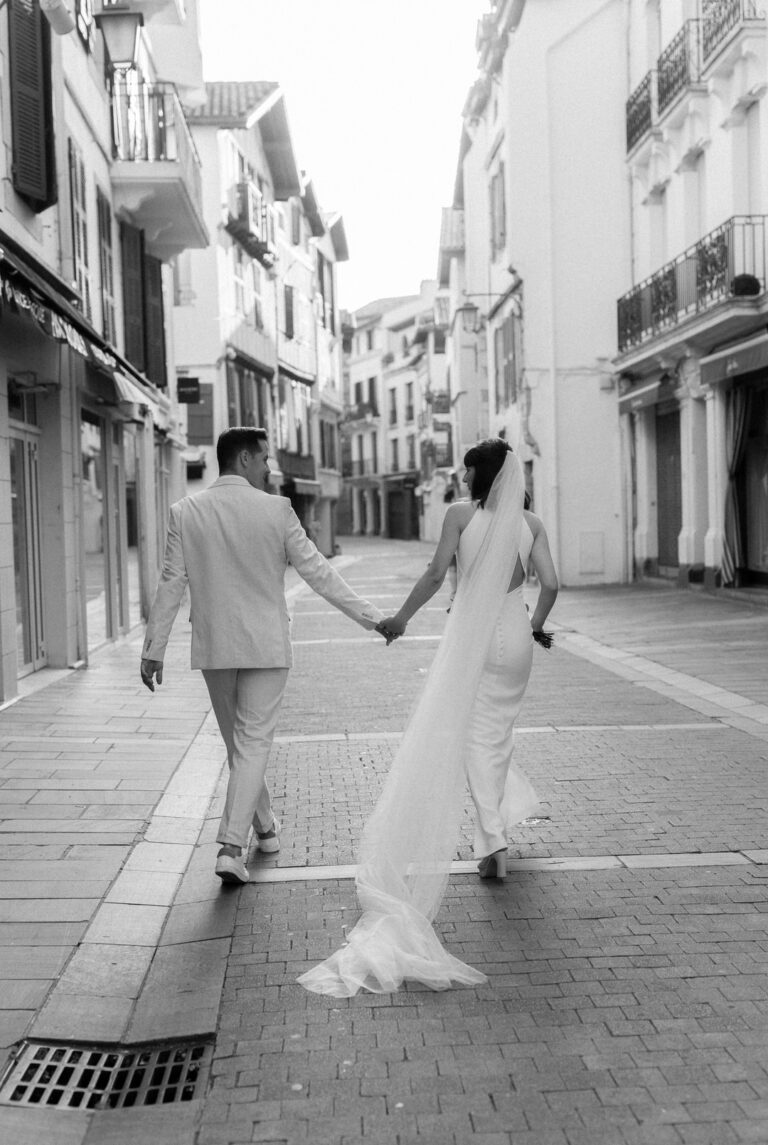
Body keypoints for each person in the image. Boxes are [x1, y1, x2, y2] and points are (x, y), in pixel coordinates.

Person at [298, 440, 558, 997]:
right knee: (497, 733)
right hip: (517, 639)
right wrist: (536, 625)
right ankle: (498, 828)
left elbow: (437, 572)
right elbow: (552, 584)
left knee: (471, 736)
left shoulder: (461, 517)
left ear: (480, 476)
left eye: (466, 469)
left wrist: (399, 618)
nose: (461, 476)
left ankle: (492, 844)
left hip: (473, 639)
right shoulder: (531, 523)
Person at [140, 427, 389, 886]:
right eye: (265, 460)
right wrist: (372, 618)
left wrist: (154, 649)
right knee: (251, 743)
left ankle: (266, 827)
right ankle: (231, 847)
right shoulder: (276, 510)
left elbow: (172, 580)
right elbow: (316, 571)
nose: (270, 468)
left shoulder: (186, 511)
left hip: (215, 646)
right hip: (267, 644)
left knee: (242, 746)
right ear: (243, 459)